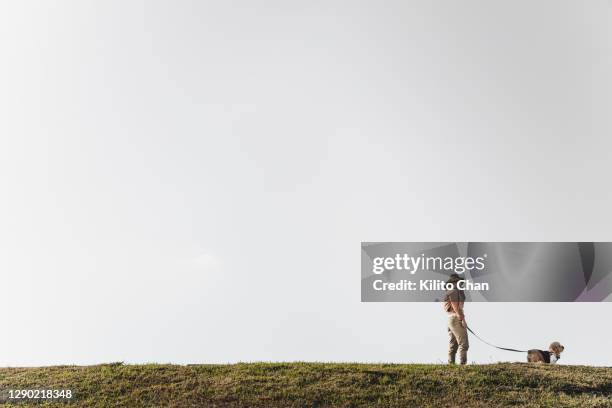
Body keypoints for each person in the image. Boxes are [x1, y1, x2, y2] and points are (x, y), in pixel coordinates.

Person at [443, 273, 469, 364]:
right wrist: (462, 320)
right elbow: (456, 308)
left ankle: (451, 365)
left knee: (453, 344)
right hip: (455, 318)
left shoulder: (451, 291)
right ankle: (463, 365)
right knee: (464, 343)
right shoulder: (454, 291)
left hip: (451, 319)